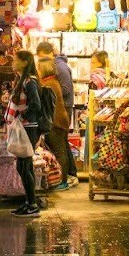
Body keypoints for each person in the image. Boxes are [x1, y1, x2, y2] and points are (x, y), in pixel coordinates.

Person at [35, 41, 77, 185]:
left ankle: (63, 180)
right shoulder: (50, 81)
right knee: (61, 148)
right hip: (58, 118)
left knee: (59, 150)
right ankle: (66, 177)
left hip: (57, 120)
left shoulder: (52, 80)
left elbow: (65, 90)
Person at [10, 49, 46, 217]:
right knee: (23, 166)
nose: (13, 63)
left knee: (25, 166)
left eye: (15, 60)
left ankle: (32, 204)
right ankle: (29, 202)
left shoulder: (29, 81)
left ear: (24, 62)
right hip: (24, 126)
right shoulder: (22, 80)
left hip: (28, 127)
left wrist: (21, 116)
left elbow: (36, 105)